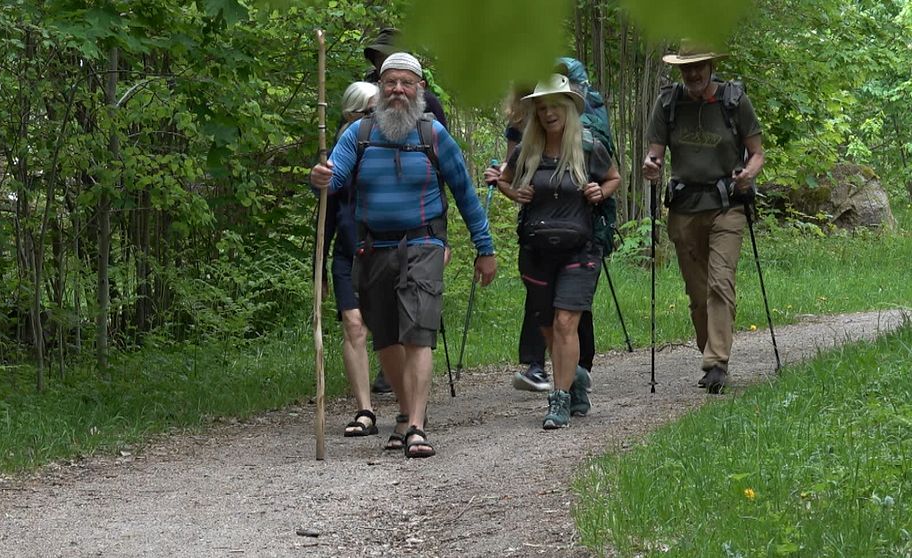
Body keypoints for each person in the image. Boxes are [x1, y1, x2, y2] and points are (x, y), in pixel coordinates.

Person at [310, 53, 497, 457]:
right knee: (387, 339)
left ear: (420, 90)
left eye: (406, 83)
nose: (397, 90)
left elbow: (465, 194)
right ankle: (407, 411)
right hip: (371, 247)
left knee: (418, 332)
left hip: (423, 243)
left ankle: (416, 426)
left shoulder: (434, 136)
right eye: (390, 82)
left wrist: (485, 248)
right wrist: (319, 177)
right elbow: (334, 180)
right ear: (379, 89)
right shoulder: (358, 134)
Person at [494, 74, 621, 429]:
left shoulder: (588, 145)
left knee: (567, 322)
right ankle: (576, 376)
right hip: (536, 249)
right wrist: (514, 193)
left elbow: (614, 177)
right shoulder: (527, 150)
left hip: (581, 248)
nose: (549, 113)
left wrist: (601, 192)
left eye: (555, 106)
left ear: (568, 109)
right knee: (548, 326)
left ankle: (559, 400)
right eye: (542, 107)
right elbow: (502, 179)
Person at [642, 42, 765, 394]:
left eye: (699, 67)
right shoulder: (668, 104)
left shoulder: (733, 100)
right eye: (687, 68)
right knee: (697, 294)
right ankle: (709, 352)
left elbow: (757, 153)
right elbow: (654, 155)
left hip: (727, 206)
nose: (693, 74)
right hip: (684, 209)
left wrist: (747, 175)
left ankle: (716, 363)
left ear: (710, 66)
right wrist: (651, 167)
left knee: (720, 283)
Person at [361, 28, 449, 395]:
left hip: (423, 230)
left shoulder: (429, 108)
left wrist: (442, 235)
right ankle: (398, 382)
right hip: (373, 232)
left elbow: (445, 172)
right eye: (379, 61)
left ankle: (412, 413)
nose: (383, 65)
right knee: (380, 315)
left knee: (414, 313)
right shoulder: (369, 100)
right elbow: (346, 161)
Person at [320, 81, 380, 437]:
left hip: (387, 248)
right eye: (369, 113)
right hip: (347, 251)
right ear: (353, 114)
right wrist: (319, 262)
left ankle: (409, 410)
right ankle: (365, 410)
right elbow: (326, 211)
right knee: (354, 325)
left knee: (391, 329)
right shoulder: (337, 155)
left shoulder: (392, 147)